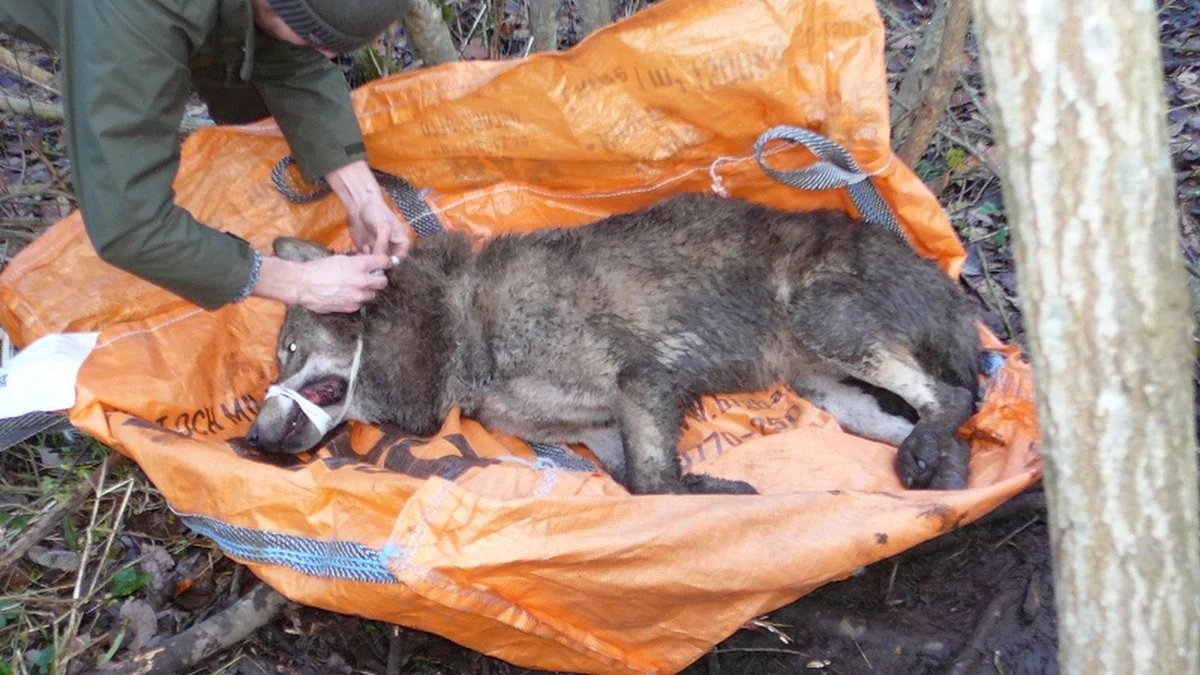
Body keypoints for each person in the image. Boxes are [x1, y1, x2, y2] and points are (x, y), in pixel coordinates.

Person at [0, 0, 412, 313]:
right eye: (313, 41)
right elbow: (129, 224)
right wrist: (299, 284)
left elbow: (285, 54)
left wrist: (363, 196)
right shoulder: (140, 15)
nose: (326, 59)